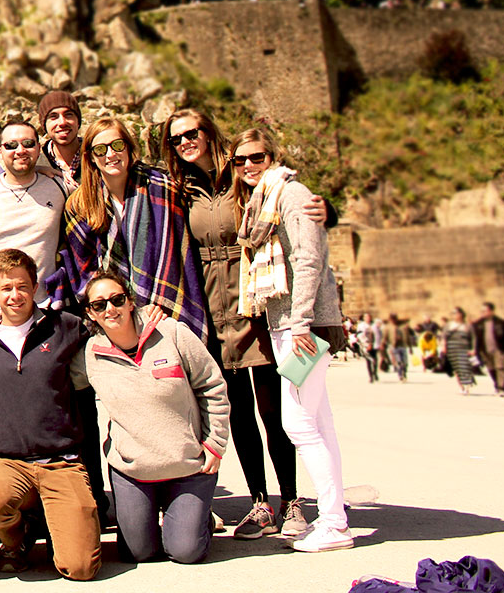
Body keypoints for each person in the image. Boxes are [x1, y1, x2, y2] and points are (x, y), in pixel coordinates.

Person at [161, 108, 305, 540]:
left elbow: (288, 194)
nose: (186, 142)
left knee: (273, 410)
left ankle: (292, 499)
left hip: (252, 306)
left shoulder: (240, 175)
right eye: (176, 138)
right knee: (238, 413)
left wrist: (324, 209)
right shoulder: (181, 188)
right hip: (211, 310)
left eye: (192, 133)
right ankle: (260, 502)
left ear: (208, 133)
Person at [232, 128, 352, 552]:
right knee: (321, 423)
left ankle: (334, 525)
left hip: (302, 328)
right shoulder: (264, 199)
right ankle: (335, 517)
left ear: (273, 156)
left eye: (257, 156)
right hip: (291, 325)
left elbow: (308, 259)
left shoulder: (291, 194)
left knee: (298, 422)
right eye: (240, 159)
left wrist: (300, 322)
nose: (248, 165)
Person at [0, 249, 100, 581]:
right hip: (8, 462)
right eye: (6, 288)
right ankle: (17, 537)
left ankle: (59, 522)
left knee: (80, 568)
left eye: (23, 286)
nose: (15, 295)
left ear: (35, 286)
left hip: (61, 461)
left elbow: (112, 334)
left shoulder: (66, 327)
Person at [82, 271, 229, 564]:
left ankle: (199, 521)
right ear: (91, 313)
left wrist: (216, 443)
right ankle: (176, 519)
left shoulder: (172, 333)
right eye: (99, 305)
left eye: (117, 299)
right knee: (139, 553)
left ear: (130, 301)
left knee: (185, 551)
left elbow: (212, 385)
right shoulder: (89, 353)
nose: (110, 309)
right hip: (132, 470)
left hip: (187, 465)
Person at [57, 117, 205, 337]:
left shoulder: (162, 188)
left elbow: (177, 256)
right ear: (90, 157)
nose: (110, 155)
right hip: (111, 313)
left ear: (128, 146)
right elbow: (84, 271)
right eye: (100, 149)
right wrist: (115, 304)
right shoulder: (79, 204)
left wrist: (158, 301)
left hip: (164, 306)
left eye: (117, 145)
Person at [0, 116, 67, 311]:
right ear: (0, 150)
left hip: (47, 306)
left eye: (28, 144)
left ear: (38, 148)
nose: (20, 150)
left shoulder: (59, 187)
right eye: (11, 145)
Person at [36, 92, 82, 193]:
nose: (62, 122)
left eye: (68, 115)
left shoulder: (97, 156)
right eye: (53, 117)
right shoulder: (36, 164)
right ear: (44, 125)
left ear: (78, 121)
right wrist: (35, 169)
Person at [473, 302, 504, 397]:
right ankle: (497, 385)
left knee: (500, 368)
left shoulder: (502, 323)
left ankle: (502, 388)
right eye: (481, 311)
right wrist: (475, 350)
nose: (482, 313)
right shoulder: (478, 324)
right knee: (491, 369)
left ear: (491, 311)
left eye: (485, 311)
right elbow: (475, 339)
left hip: (499, 349)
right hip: (484, 350)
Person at [443, 307, 476, 395]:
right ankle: (461, 386)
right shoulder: (449, 325)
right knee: (456, 369)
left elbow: (473, 338)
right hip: (452, 349)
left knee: (465, 368)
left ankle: (467, 386)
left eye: (456, 313)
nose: (455, 315)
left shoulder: (467, 325)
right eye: (453, 313)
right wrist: (444, 347)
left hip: (464, 349)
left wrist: (473, 349)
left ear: (461, 314)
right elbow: (444, 337)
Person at [383, 315, 412, 383]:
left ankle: (404, 373)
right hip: (394, 347)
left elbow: (408, 337)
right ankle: (400, 375)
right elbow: (385, 337)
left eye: (394, 319)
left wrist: (410, 347)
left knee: (405, 362)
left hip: (403, 346)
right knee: (399, 362)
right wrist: (383, 344)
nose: (393, 321)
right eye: (391, 320)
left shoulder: (404, 327)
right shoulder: (388, 327)